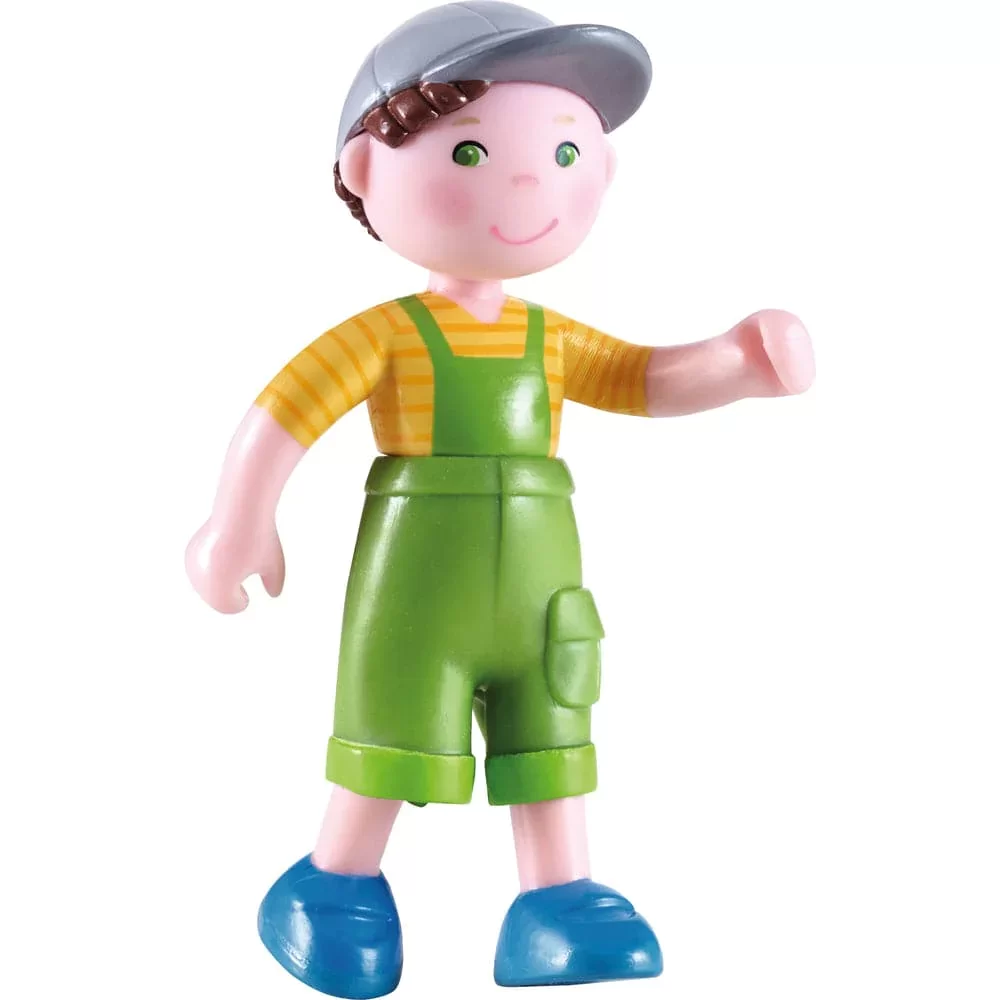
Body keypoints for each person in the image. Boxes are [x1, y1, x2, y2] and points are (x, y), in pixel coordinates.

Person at [185, 3, 815, 997]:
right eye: (471, 152)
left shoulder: (551, 339)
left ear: (603, 169)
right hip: (415, 580)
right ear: (364, 172)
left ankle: (558, 902)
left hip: (540, 588)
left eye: (564, 153)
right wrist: (238, 519)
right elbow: (285, 414)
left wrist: (736, 364)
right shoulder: (389, 335)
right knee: (389, 728)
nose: (530, 182)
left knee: (551, 731)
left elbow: (640, 378)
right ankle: (331, 884)